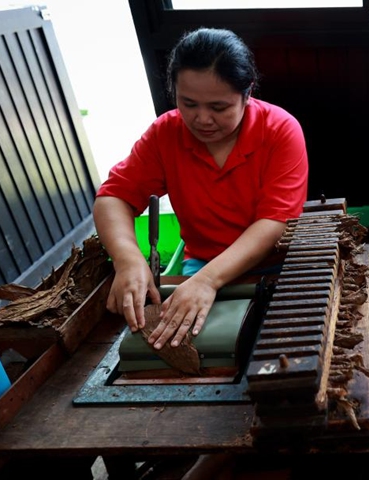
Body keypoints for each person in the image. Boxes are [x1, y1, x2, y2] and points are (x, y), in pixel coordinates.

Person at [94, 27, 308, 351]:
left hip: (280, 261)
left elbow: (273, 223)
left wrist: (209, 281)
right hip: (204, 262)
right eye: (188, 103)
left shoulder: (279, 131)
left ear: (247, 93)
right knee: (194, 348)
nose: (201, 119)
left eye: (219, 108)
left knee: (286, 348)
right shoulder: (165, 134)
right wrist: (127, 259)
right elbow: (114, 197)